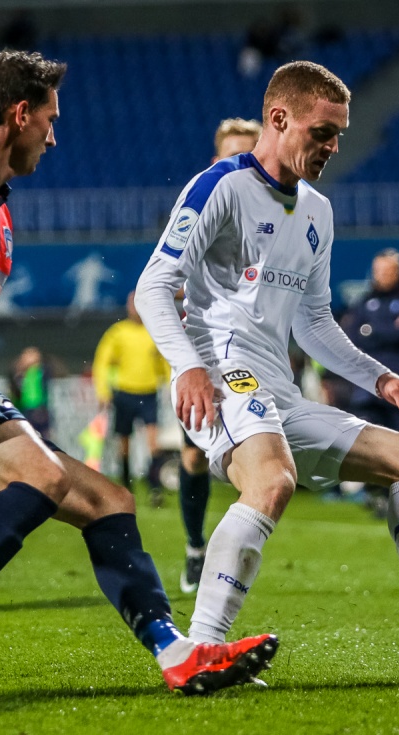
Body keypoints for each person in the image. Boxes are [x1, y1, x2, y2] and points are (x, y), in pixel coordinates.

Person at [0, 49, 277, 700]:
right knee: (42, 476)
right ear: (20, 114)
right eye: (50, 119)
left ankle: (178, 654)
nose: (53, 136)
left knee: (109, 500)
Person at [135, 60, 399, 647]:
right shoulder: (221, 186)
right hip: (222, 373)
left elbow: (313, 322)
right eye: (322, 132)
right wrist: (187, 365)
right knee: (272, 480)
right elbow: (154, 285)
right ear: (278, 118)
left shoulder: (318, 210)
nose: (333, 146)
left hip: (280, 393)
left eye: (339, 134)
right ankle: (203, 647)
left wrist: (378, 376)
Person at [178, 117, 262, 594]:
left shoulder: (281, 215)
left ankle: (230, 562)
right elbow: (163, 276)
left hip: (259, 354)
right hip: (205, 352)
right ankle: (197, 548)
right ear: (215, 161)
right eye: (231, 156)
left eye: (248, 156)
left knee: (261, 463)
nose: (240, 166)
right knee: (194, 458)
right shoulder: (202, 207)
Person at [92, 291, 171, 506]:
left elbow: (164, 361)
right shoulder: (118, 332)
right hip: (125, 394)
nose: (135, 308)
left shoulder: (154, 332)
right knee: (124, 443)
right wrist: (103, 392)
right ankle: (127, 485)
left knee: (153, 442)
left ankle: (155, 487)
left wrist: (171, 384)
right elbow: (102, 362)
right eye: (132, 304)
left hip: (149, 393)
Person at [337, 248, 399, 436]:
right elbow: (352, 336)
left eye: (387, 270)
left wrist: (372, 331)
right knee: (366, 441)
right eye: (378, 271)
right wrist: (388, 330)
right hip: (367, 387)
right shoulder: (363, 303)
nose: (382, 275)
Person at [8, 346, 51, 440]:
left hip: (38, 408)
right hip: (22, 408)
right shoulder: (17, 372)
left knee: (41, 437)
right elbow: (14, 390)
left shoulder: (41, 370)